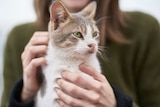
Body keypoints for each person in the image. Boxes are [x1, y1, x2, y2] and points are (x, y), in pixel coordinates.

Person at [1, 0, 160, 106]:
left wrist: (117, 103)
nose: (92, 45)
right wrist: (26, 95)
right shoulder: (18, 38)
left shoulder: (144, 29)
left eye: (95, 35)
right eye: (78, 34)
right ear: (56, 21)